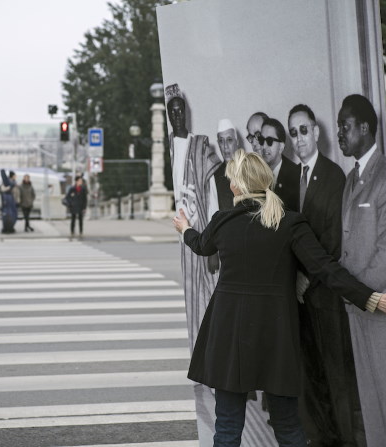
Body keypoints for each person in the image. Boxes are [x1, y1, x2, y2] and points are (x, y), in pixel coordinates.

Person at [172, 150, 386, 447]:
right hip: (276, 336)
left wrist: (185, 229)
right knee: (288, 427)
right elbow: (327, 269)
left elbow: (201, 245)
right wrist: (372, 299)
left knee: (228, 428)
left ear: (237, 186)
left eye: (231, 180)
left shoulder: (222, 221)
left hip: (229, 333)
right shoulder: (290, 222)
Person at [338, 94, 386, 446]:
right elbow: (347, 246)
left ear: (365, 128)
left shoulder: (385, 174)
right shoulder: (352, 178)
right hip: (359, 306)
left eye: (344, 126)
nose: (339, 133)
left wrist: (359, 293)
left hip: (380, 306)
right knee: (369, 398)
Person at [287, 104, 358, 445]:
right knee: (310, 376)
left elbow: (333, 239)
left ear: (316, 132)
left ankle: (345, 439)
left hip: (324, 293)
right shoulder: (288, 179)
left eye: (303, 130)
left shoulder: (333, 176)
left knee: (336, 376)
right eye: (293, 132)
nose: (298, 138)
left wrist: (307, 279)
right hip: (298, 298)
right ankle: (321, 439)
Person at [165, 82, 219, 447]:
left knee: (211, 296)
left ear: (188, 111)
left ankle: (215, 361)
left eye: (181, 109)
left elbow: (214, 188)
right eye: (172, 111)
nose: (177, 115)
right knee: (192, 303)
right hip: (185, 235)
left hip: (204, 232)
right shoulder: (169, 148)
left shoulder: (200, 146)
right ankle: (202, 364)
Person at [259, 118, 300, 212]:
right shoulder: (256, 175)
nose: (264, 146)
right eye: (261, 140)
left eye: (269, 141)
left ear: (281, 147)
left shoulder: (296, 175)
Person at [0, 170, 19, 234]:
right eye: (15, 175)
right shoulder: (9, 182)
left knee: (13, 214)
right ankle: (7, 228)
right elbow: (4, 179)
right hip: (9, 200)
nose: (16, 177)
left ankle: (9, 227)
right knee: (9, 214)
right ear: (12, 176)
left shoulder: (13, 182)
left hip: (13, 200)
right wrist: (2, 172)